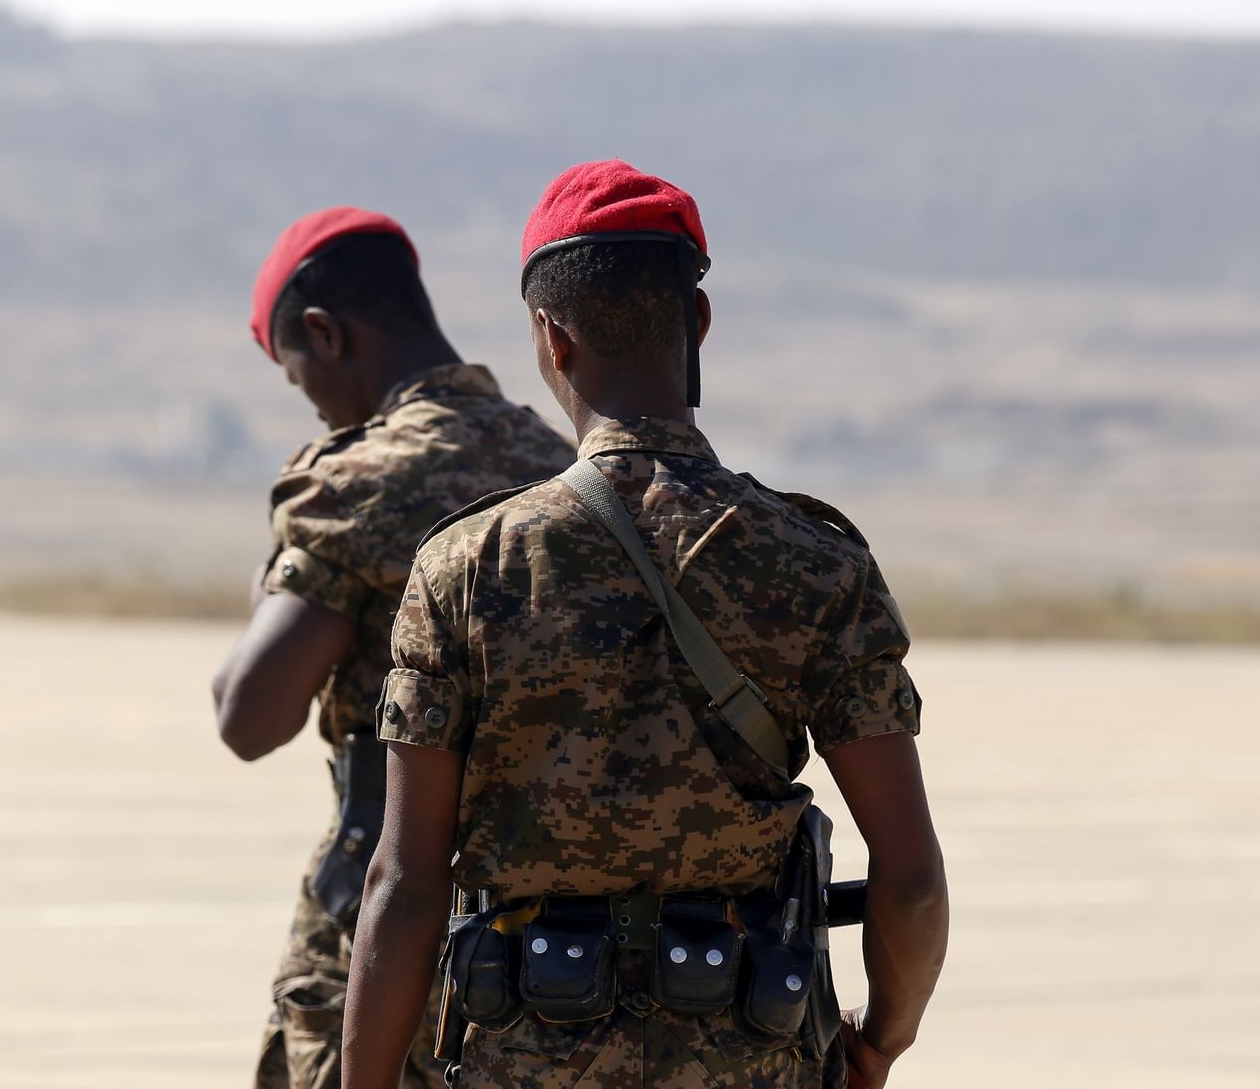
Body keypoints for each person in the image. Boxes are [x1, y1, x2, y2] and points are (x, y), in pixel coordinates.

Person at [342, 162, 949, 1088]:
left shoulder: (468, 566)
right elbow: (908, 880)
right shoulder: (817, 561)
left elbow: (406, 882)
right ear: (697, 323)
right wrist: (878, 1042)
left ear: (550, 337)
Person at [212, 206, 576, 1089]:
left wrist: (303, 536)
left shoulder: (358, 482)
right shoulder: (559, 457)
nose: (312, 401)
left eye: (300, 379)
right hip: (548, 939)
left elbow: (248, 715)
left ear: (323, 334)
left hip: (385, 925)